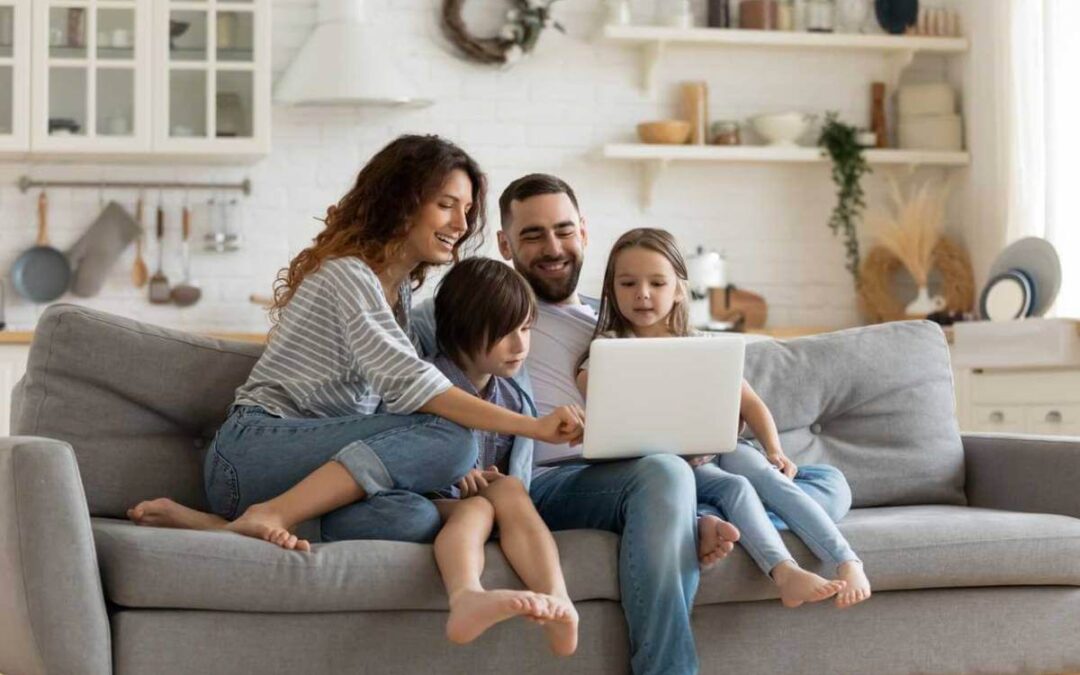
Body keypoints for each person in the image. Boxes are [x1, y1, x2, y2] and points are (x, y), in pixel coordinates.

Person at [422, 173, 852, 674]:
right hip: (557, 480)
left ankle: (685, 520)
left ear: (584, 231)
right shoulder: (488, 312)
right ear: (504, 243)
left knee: (830, 484)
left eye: (563, 230)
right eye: (533, 235)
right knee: (667, 474)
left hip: (648, 469)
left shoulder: (614, 319)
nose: (553, 247)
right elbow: (430, 384)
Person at [125, 135, 584, 556]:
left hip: (310, 471)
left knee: (415, 517)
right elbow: (418, 389)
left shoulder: (399, 296)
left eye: (466, 210)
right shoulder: (349, 275)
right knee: (453, 439)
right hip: (254, 454)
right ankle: (271, 513)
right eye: (447, 205)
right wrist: (535, 427)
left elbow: (401, 405)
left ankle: (223, 528)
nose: (462, 224)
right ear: (402, 202)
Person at [575, 227, 871, 610]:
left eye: (657, 283)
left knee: (769, 476)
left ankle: (848, 561)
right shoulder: (608, 350)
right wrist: (594, 374)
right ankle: (784, 571)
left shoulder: (701, 345)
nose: (642, 294)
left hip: (721, 447)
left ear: (679, 288)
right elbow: (595, 399)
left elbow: (752, 405)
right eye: (628, 283)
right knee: (737, 489)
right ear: (612, 290)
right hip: (671, 468)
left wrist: (775, 449)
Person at [425, 258, 578, 654]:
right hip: (428, 499)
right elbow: (404, 455)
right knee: (479, 510)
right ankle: (468, 594)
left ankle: (559, 600)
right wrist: (454, 472)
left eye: (526, 328)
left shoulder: (511, 395)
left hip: (487, 499)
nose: (521, 344)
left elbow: (512, 470)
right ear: (462, 331)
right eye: (505, 332)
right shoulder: (427, 384)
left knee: (508, 490)